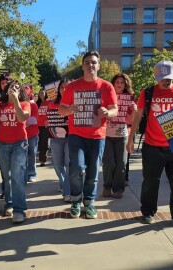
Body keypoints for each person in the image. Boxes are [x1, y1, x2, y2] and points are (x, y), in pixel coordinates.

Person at [126, 61, 173, 229]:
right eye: (162, 78)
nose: (165, 82)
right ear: (156, 77)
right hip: (152, 145)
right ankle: (148, 212)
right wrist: (131, 138)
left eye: (168, 78)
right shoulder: (148, 92)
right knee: (151, 181)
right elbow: (138, 116)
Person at [59, 51, 118, 219]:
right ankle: (76, 200)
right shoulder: (72, 86)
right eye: (87, 62)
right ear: (82, 66)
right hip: (76, 135)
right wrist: (69, 109)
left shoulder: (107, 86)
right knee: (76, 168)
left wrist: (108, 111)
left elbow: (115, 110)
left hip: (97, 136)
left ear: (98, 65)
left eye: (93, 62)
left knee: (92, 171)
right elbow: (61, 109)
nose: (90, 65)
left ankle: (89, 202)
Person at [0, 79, 30, 223]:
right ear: (6, 89)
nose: (14, 89)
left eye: (17, 88)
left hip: (19, 144)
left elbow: (21, 118)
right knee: (6, 177)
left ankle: (19, 210)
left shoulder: (25, 104)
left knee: (17, 176)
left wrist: (16, 102)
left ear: (21, 92)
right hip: (2, 144)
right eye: (11, 87)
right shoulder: (0, 105)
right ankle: (9, 203)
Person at [102, 73, 136, 199]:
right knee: (108, 162)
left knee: (121, 163)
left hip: (123, 134)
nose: (120, 85)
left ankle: (118, 189)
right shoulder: (107, 96)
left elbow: (131, 120)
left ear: (126, 84)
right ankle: (107, 186)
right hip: (107, 134)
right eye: (117, 82)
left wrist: (134, 110)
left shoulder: (130, 98)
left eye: (122, 83)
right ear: (113, 83)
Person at [46, 78, 71, 202]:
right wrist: (48, 122)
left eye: (67, 87)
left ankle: (67, 190)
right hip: (55, 137)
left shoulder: (75, 102)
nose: (65, 89)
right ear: (58, 89)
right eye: (62, 87)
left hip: (71, 137)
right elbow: (49, 119)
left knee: (68, 163)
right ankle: (63, 183)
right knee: (57, 164)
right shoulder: (52, 103)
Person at [25, 85, 39, 183]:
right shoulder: (18, 104)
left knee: (32, 154)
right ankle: (24, 175)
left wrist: (22, 120)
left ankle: (32, 173)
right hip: (22, 135)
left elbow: (34, 120)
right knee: (22, 155)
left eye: (27, 93)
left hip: (32, 134)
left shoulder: (33, 105)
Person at [36, 89, 50, 167]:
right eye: (40, 93)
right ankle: (42, 156)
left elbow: (51, 112)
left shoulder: (49, 102)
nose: (41, 94)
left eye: (42, 93)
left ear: (45, 94)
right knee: (39, 142)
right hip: (38, 125)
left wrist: (48, 120)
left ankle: (42, 160)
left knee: (44, 142)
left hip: (46, 125)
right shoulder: (37, 103)